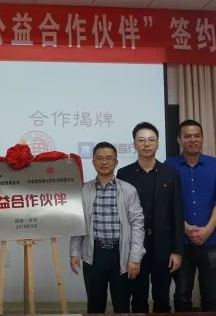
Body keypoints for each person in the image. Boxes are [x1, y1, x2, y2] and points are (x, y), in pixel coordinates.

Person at [69, 142, 145, 313]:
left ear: (116, 162)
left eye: (109, 158)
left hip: (121, 254)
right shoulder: (84, 190)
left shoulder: (128, 190)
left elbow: (138, 225)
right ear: (93, 162)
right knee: (95, 306)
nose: (104, 162)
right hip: (94, 254)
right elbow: (78, 223)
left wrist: (135, 257)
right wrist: (74, 252)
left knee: (122, 305)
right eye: (99, 158)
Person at [117, 122, 184, 312]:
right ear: (134, 144)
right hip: (135, 247)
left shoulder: (170, 173)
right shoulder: (124, 174)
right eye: (141, 140)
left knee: (162, 299)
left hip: (163, 247)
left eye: (151, 140)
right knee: (138, 299)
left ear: (158, 143)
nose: (146, 144)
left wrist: (177, 251)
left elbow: (177, 213)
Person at [165, 119, 216, 312]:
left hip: (212, 240)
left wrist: (208, 229)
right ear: (179, 140)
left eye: (197, 136)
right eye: (187, 136)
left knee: (211, 296)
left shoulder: (215, 165)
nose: (193, 139)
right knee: (182, 295)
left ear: (202, 138)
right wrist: (184, 226)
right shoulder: (169, 165)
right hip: (181, 243)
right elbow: (166, 202)